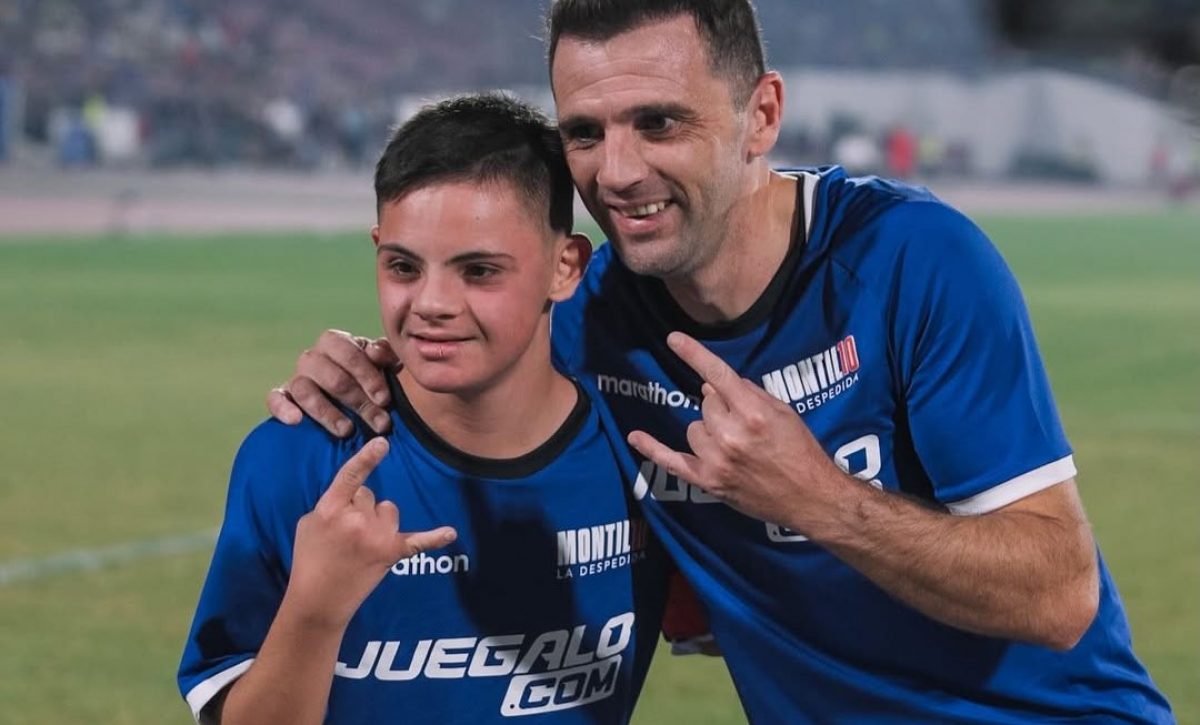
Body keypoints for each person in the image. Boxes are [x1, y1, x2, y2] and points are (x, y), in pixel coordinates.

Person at [269, 1, 1173, 721]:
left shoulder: (909, 261)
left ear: (761, 115)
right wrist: (359, 363)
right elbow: (465, 337)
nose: (617, 171)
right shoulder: (594, 322)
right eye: (585, 133)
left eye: (658, 122)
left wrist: (814, 499)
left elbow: (1060, 593)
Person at [179, 93, 671, 725]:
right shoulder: (299, 457)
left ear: (564, 265)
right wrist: (317, 609)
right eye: (404, 266)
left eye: (480, 271)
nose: (432, 302)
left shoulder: (642, 456)